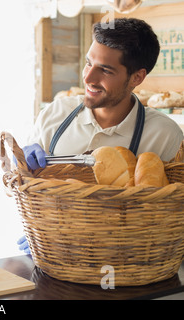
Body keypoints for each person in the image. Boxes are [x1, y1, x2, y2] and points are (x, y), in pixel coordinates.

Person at [17, 18, 183, 254]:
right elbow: (25, 189)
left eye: (105, 70)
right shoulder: (55, 114)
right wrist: (19, 163)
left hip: (126, 265)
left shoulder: (165, 136)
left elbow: (171, 218)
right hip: (52, 258)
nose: (88, 78)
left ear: (137, 78)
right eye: (88, 63)